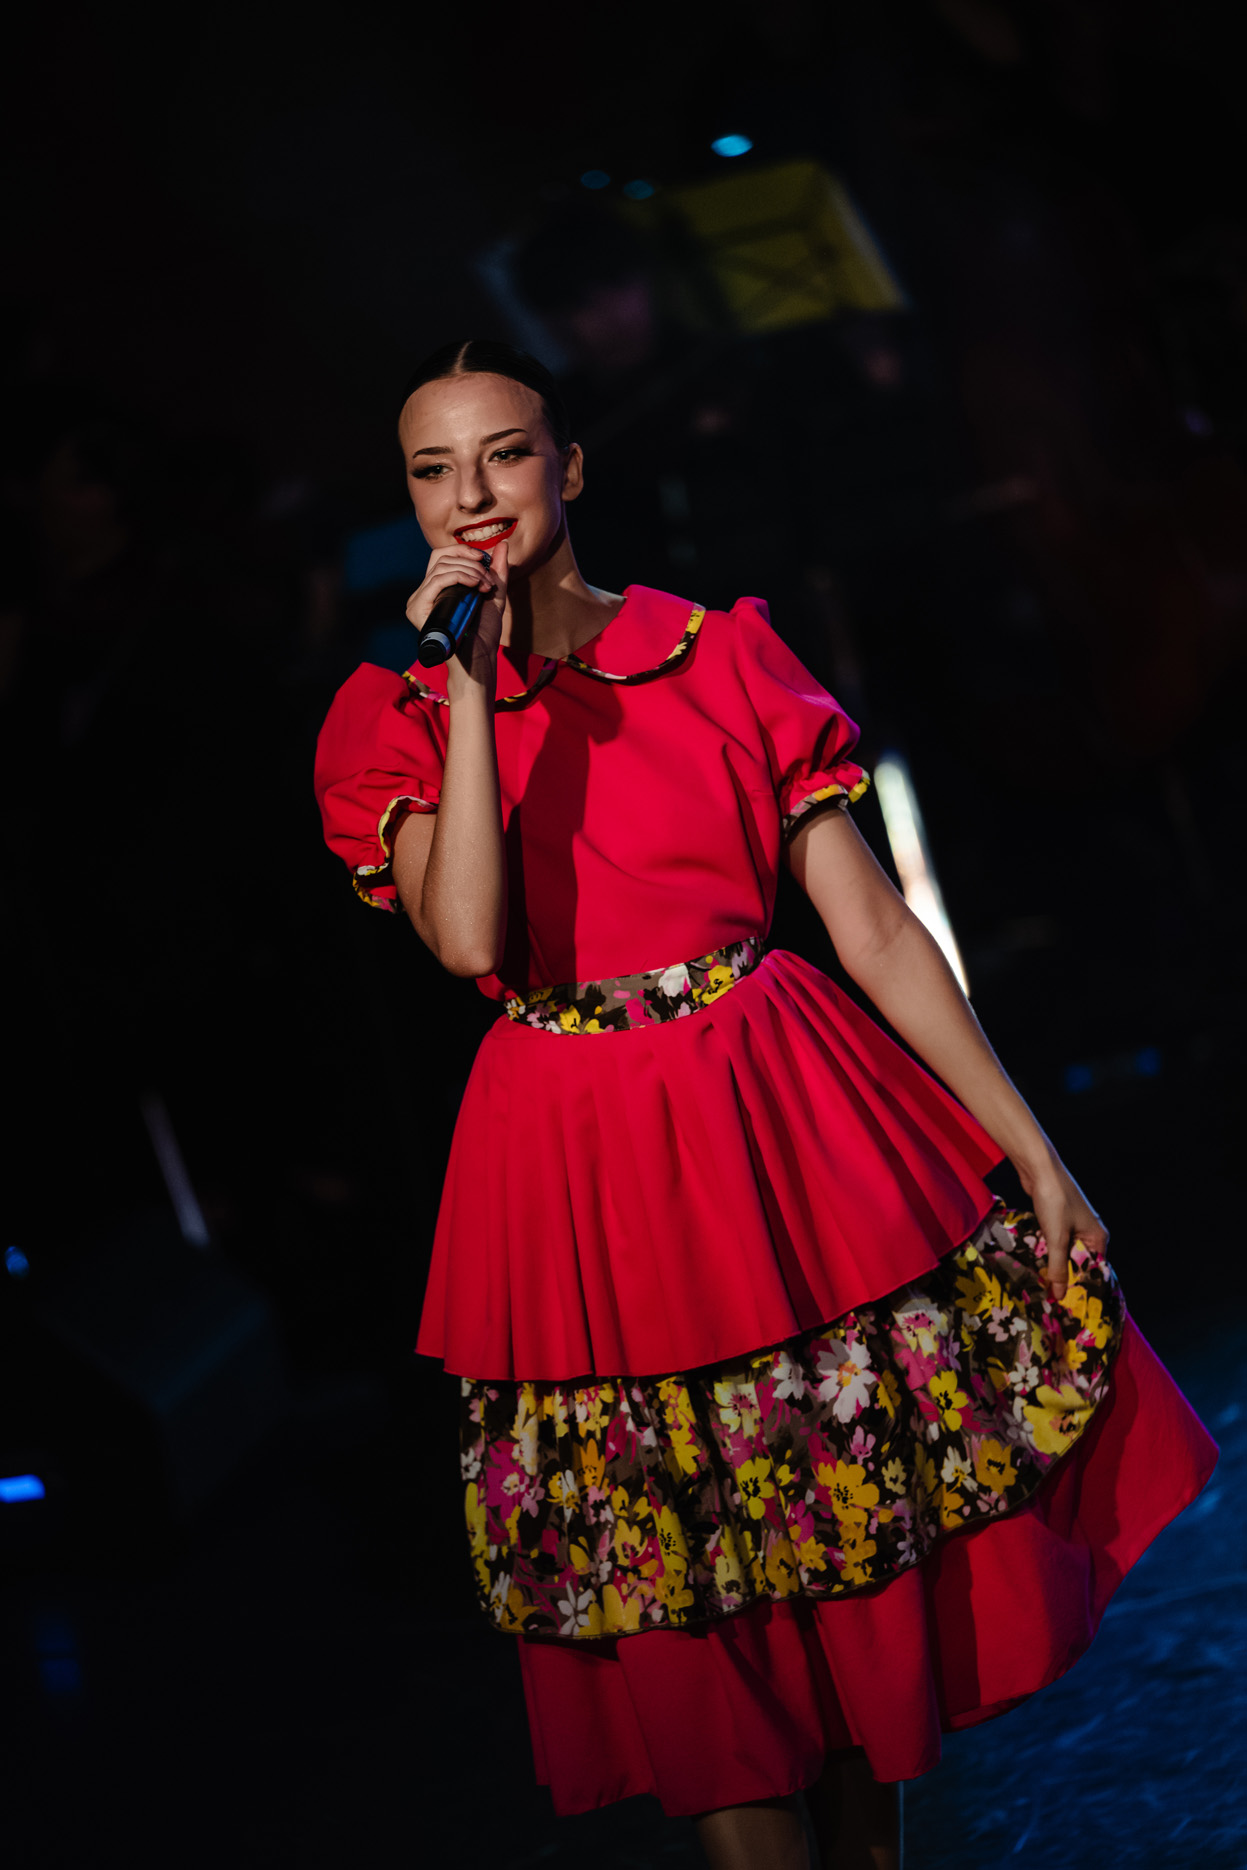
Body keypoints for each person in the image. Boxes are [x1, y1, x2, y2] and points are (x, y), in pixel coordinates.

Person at [314, 338, 1216, 1869]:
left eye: (506, 453)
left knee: (840, 1572)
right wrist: (466, 687)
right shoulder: (385, 718)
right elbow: (467, 937)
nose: (473, 495)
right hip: (577, 1172)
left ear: (568, 467)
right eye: (433, 469)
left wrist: (1031, 1148)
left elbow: (875, 932)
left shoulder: (719, 655)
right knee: (684, 1597)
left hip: (771, 1127)